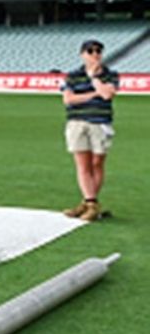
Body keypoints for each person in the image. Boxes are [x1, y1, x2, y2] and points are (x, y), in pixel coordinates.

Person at [61, 38, 118, 222]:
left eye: (98, 51)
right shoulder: (73, 75)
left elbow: (108, 94)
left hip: (100, 122)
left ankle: (89, 202)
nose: (95, 55)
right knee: (83, 164)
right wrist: (94, 94)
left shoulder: (110, 74)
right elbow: (69, 99)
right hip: (77, 122)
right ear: (82, 54)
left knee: (97, 163)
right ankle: (90, 202)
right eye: (90, 51)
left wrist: (94, 78)